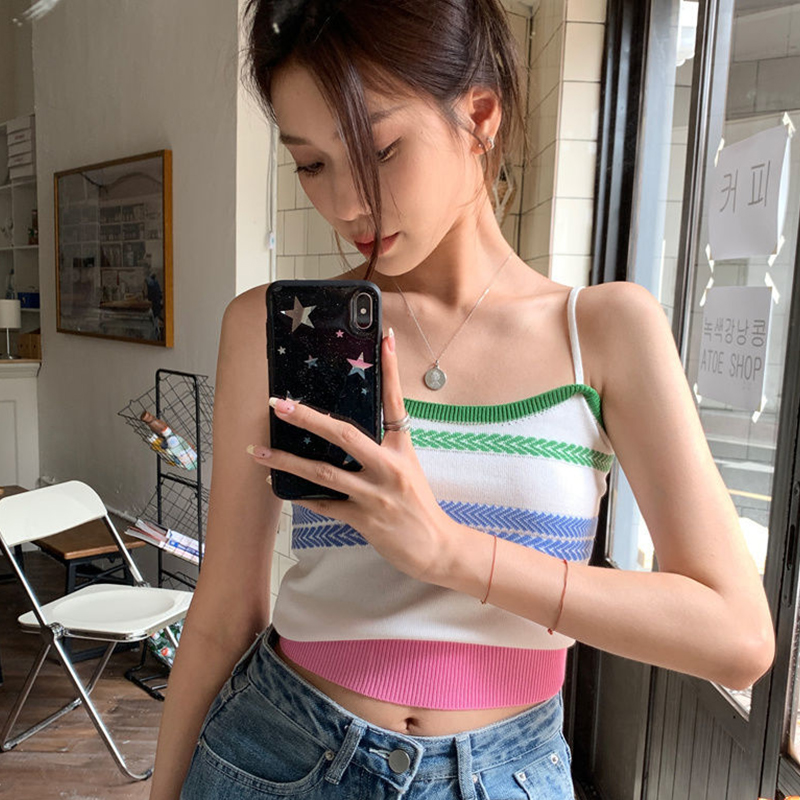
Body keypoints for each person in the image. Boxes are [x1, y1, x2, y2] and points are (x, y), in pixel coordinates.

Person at [150, 1, 776, 798]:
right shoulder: (271, 327)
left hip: (506, 773)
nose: (345, 205)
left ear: (479, 115)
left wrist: (451, 553)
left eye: (380, 150)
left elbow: (737, 636)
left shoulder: (606, 331)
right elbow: (222, 615)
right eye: (311, 164)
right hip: (277, 753)